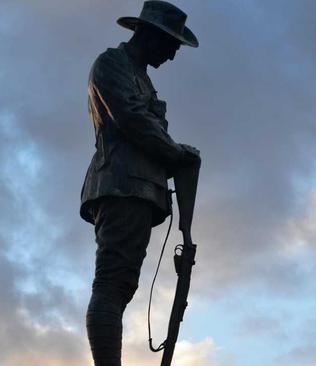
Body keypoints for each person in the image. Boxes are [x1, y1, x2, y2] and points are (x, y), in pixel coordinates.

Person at [79, 1, 200, 364]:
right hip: (122, 184)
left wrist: (177, 152)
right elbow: (131, 119)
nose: (173, 55)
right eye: (171, 45)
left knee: (121, 285)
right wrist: (176, 152)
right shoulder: (112, 64)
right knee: (112, 284)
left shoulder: (140, 77)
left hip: (138, 189)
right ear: (150, 34)